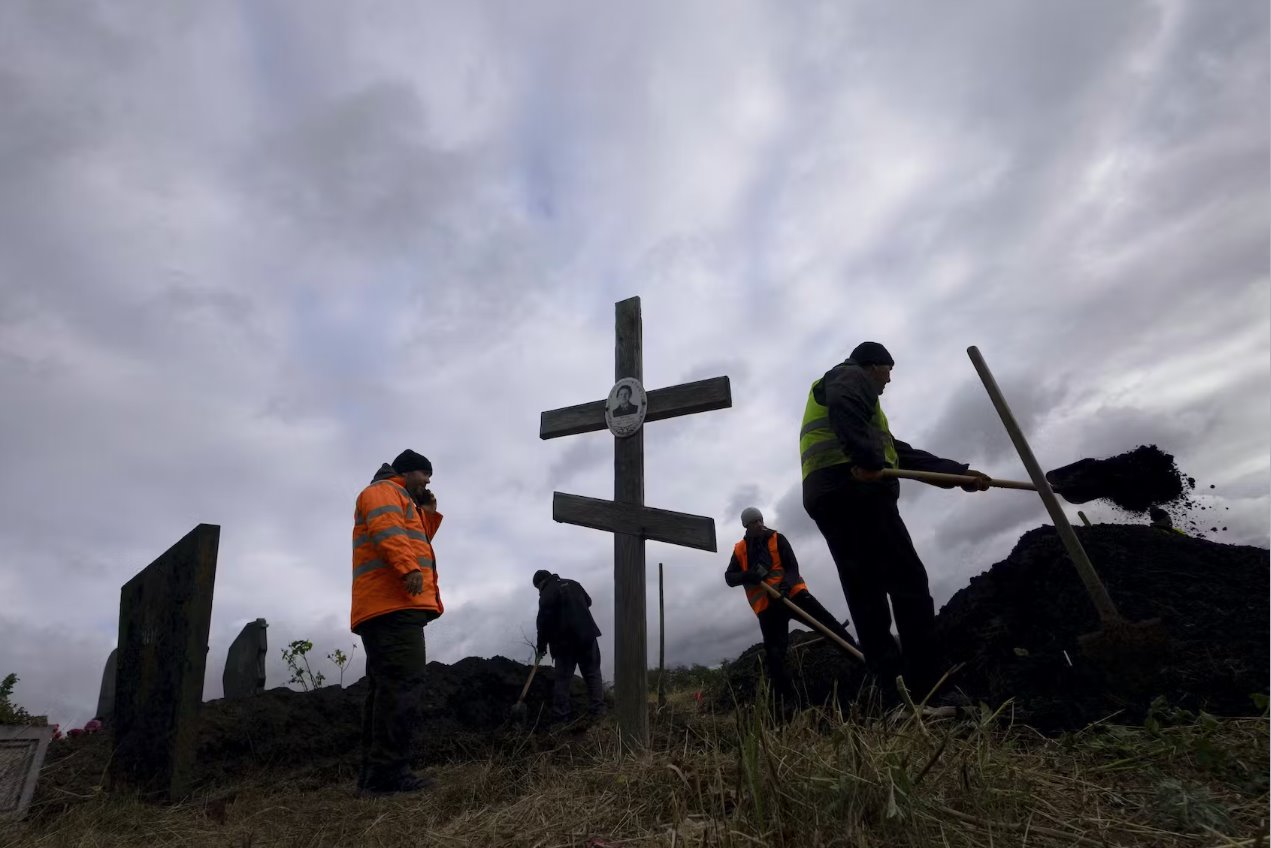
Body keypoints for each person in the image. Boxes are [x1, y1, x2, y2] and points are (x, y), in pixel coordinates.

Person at [800, 342, 990, 702]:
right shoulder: (849, 377)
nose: (889, 380)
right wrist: (867, 460)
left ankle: (889, 692)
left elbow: (900, 455)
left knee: (865, 592)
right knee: (908, 583)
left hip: (826, 493)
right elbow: (858, 426)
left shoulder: (853, 408)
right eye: (889, 371)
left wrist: (959, 475)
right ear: (874, 366)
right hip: (856, 489)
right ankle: (929, 687)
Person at [350, 449, 444, 794]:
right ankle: (388, 777)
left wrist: (428, 515)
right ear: (406, 473)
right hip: (392, 607)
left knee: (387, 690)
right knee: (403, 686)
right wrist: (408, 569)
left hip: (385, 608)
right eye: (425, 474)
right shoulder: (383, 492)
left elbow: (412, 540)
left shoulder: (401, 499)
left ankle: (375, 777)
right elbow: (388, 531)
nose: (429, 481)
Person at [724, 507, 858, 709]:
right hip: (767, 608)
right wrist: (747, 575)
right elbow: (729, 578)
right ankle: (787, 701)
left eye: (760, 520)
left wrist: (786, 585)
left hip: (793, 596)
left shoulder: (778, 539)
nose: (759, 524)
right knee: (775, 654)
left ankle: (860, 660)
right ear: (746, 526)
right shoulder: (740, 550)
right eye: (754, 522)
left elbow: (792, 567)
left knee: (829, 625)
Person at [533, 570, 605, 721]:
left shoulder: (546, 595)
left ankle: (562, 716)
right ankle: (598, 712)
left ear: (540, 584)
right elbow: (589, 601)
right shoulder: (574, 584)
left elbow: (543, 625)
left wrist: (541, 648)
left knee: (563, 680)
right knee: (592, 674)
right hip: (587, 636)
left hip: (564, 644)